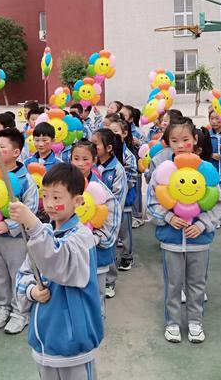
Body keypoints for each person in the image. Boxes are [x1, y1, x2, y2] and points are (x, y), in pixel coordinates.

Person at [13, 163, 103, 379]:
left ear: (78, 201)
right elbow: (24, 273)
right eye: (45, 196)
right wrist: (31, 291)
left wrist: (33, 225)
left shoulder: (82, 237)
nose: (50, 204)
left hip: (73, 344)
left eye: (57, 197)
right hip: (45, 338)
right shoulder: (43, 233)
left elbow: (58, 264)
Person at [147, 117, 221, 344]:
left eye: (185, 139)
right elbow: (152, 202)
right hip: (171, 240)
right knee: (173, 283)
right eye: (174, 140)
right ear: (168, 143)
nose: (180, 145)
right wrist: (168, 217)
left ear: (195, 140)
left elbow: (218, 203)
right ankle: (172, 322)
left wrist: (202, 224)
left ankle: (195, 322)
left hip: (199, 240)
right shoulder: (163, 170)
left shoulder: (206, 170)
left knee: (198, 283)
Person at [0, 128, 38, 334]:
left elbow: (31, 208)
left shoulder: (24, 179)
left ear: (16, 152)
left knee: (18, 274)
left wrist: (9, 225)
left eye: (1, 147)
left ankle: (21, 313)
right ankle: (3, 307)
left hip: (15, 239)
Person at [71, 140, 120, 313]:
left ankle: (97, 325)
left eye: (85, 159)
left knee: (96, 293)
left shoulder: (101, 191)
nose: (80, 163)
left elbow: (112, 219)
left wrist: (97, 238)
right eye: (76, 158)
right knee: (73, 292)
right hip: (71, 252)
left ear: (93, 161)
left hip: (96, 253)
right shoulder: (64, 187)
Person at [92, 129, 127, 299]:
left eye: (95, 144)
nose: (92, 147)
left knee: (109, 248)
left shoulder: (117, 169)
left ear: (109, 148)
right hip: (90, 217)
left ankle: (110, 281)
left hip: (108, 217)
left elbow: (117, 197)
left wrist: (109, 217)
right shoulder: (91, 165)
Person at [109, 119, 138, 272]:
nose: (112, 135)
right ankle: (112, 256)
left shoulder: (128, 155)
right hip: (109, 203)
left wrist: (121, 191)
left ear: (125, 133)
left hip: (125, 202)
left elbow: (132, 178)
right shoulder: (108, 154)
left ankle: (127, 256)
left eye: (116, 132)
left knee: (125, 231)